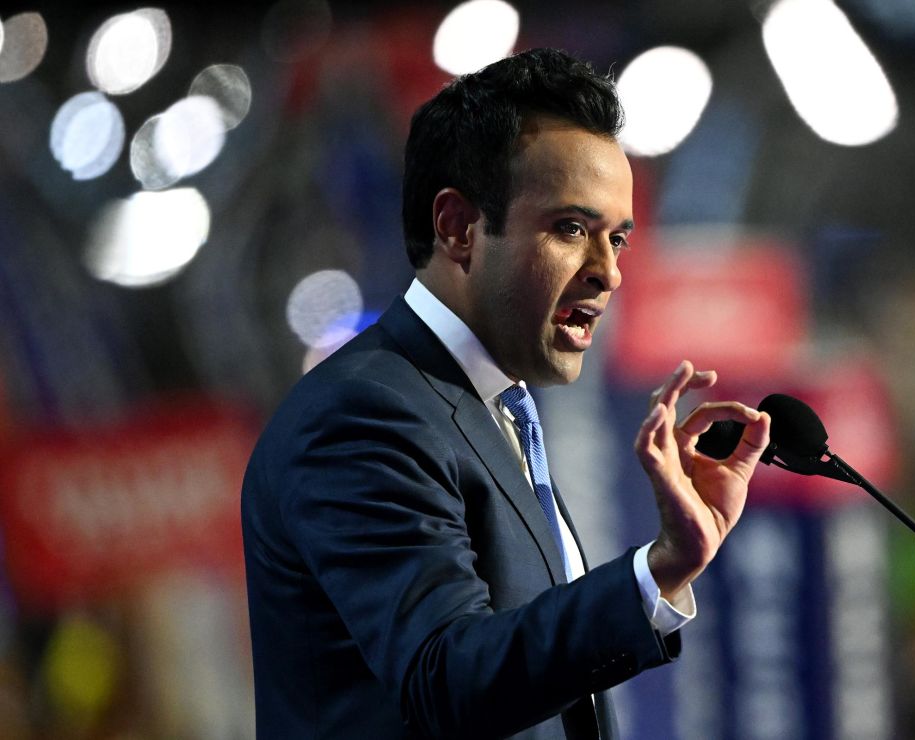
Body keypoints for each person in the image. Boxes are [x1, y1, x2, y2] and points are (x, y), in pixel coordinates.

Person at [241, 48, 771, 739]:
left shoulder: (493, 408)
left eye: (619, 238)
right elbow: (446, 679)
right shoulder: (366, 415)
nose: (608, 272)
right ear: (459, 227)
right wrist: (656, 568)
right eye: (571, 229)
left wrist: (664, 565)